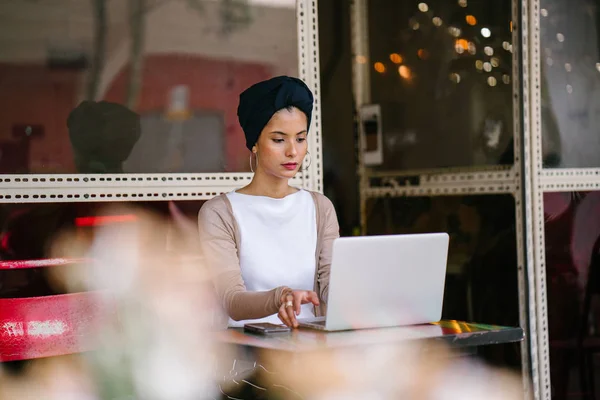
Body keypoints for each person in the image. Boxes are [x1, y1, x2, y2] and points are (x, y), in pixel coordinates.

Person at [197, 76, 339, 329]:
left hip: (313, 350)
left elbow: (332, 288)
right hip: (247, 354)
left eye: (300, 138)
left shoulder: (320, 207)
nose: (292, 152)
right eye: (278, 139)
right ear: (254, 143)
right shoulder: (220, 213)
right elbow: (232, 300)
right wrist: (280, 297)